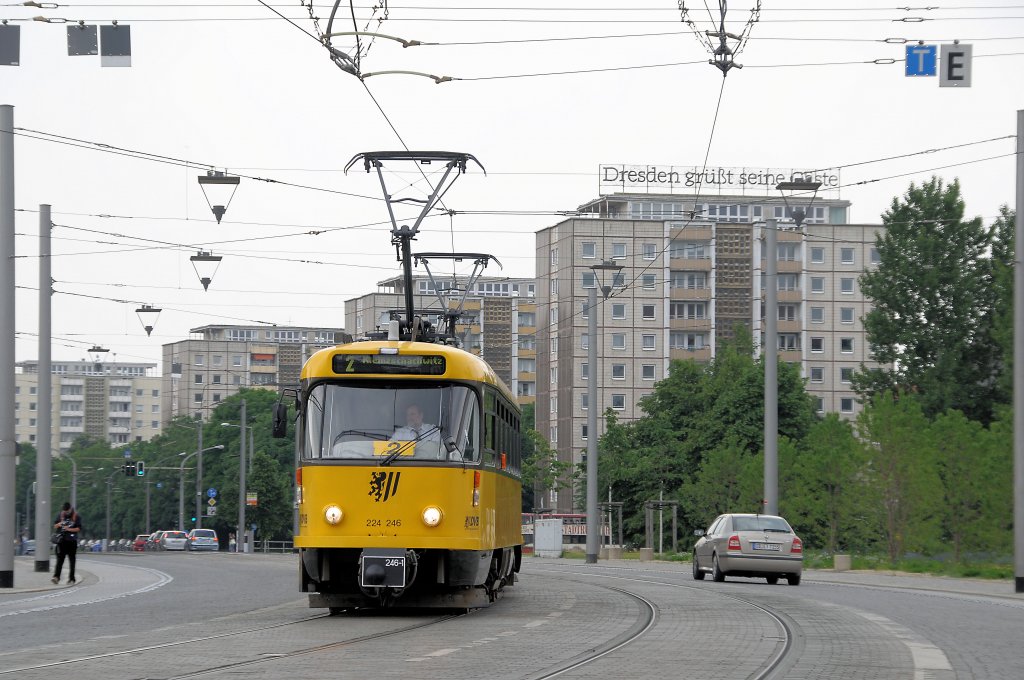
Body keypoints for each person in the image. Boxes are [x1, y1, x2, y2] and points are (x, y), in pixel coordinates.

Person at [52, 502, 82, 585]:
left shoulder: (76, 516)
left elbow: (78, 528)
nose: (66, 512)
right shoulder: (60, 515)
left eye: (67, 511)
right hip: (62, 541)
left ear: (70, 508)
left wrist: (68, 529)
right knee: (60, 560)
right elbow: (55, 526)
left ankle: (72, 578)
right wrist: (59, 524)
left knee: (72, 560)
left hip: (72, 541)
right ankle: (56, 577)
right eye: (65, 511)